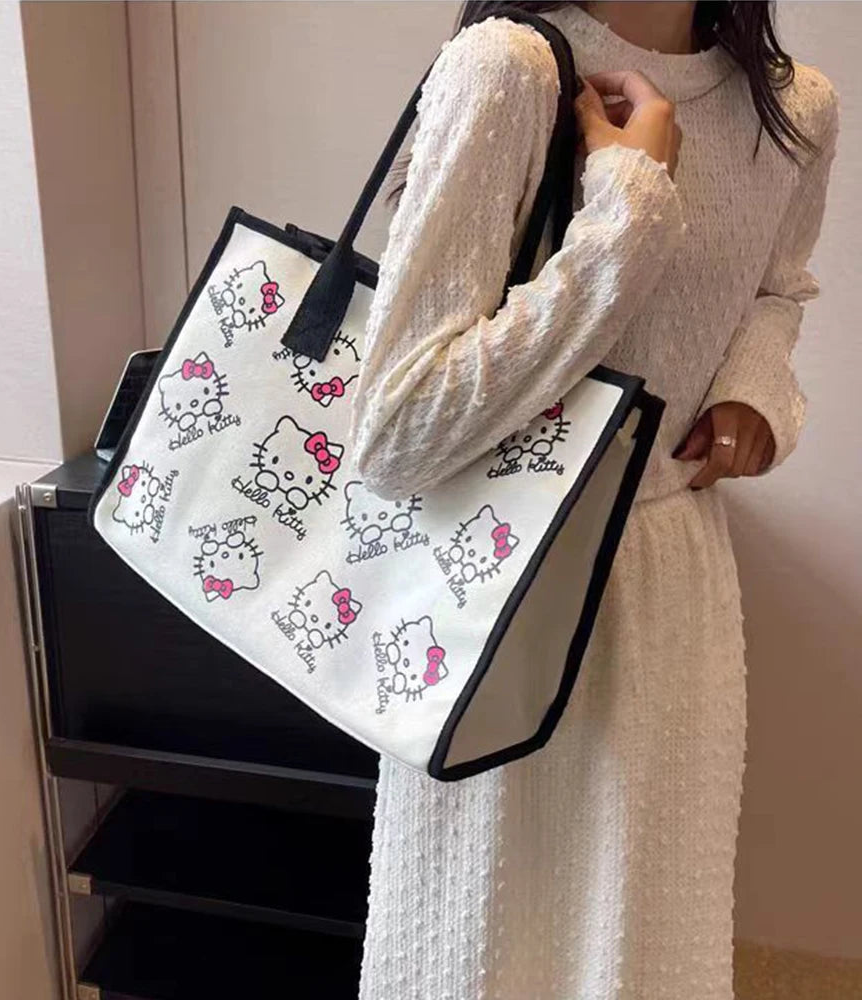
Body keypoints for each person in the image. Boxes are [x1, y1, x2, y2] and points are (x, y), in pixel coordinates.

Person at [348, 2, 840, 997]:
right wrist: (627, 210)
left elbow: (777, 287)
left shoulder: (795, 109)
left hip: (673, 586)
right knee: (485, 952)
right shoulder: (509, 70)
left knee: (644, 941)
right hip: (498, 589)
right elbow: (397, 431)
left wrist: (752, 388)